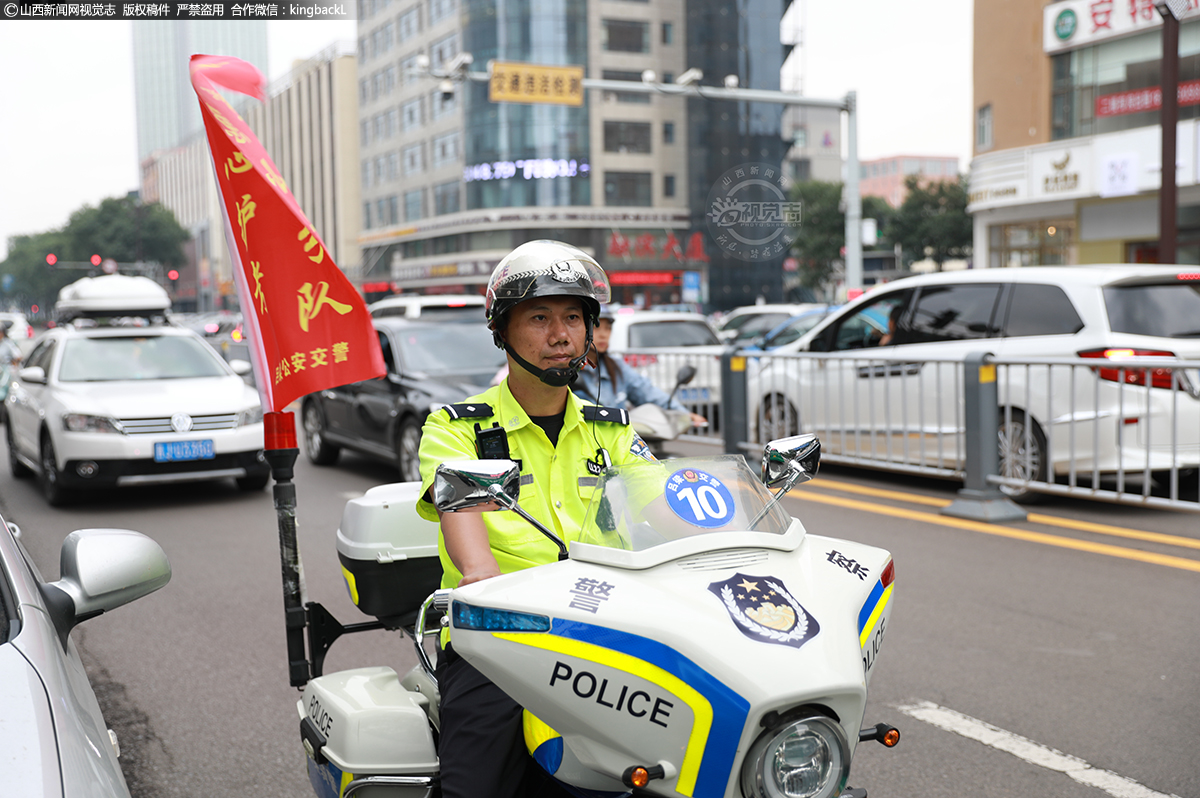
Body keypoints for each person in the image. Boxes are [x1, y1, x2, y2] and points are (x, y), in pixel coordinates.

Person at [415, 240, 656, 798]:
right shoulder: (456, 428)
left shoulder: (611, 429)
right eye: (540, 317)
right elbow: (468, 538)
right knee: (473, 788)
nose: (560, 335)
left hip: (603, 630)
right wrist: (481, 578)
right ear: (503, 331)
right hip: (499, 639)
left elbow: (663, 504)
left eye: (574, 317)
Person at [572, 306, 707, 427]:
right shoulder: (568, 369)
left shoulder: (616, 367)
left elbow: (647, 392)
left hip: (616, 444)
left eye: (608, 328)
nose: (603, 335)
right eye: (596, 327)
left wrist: (683, 414)